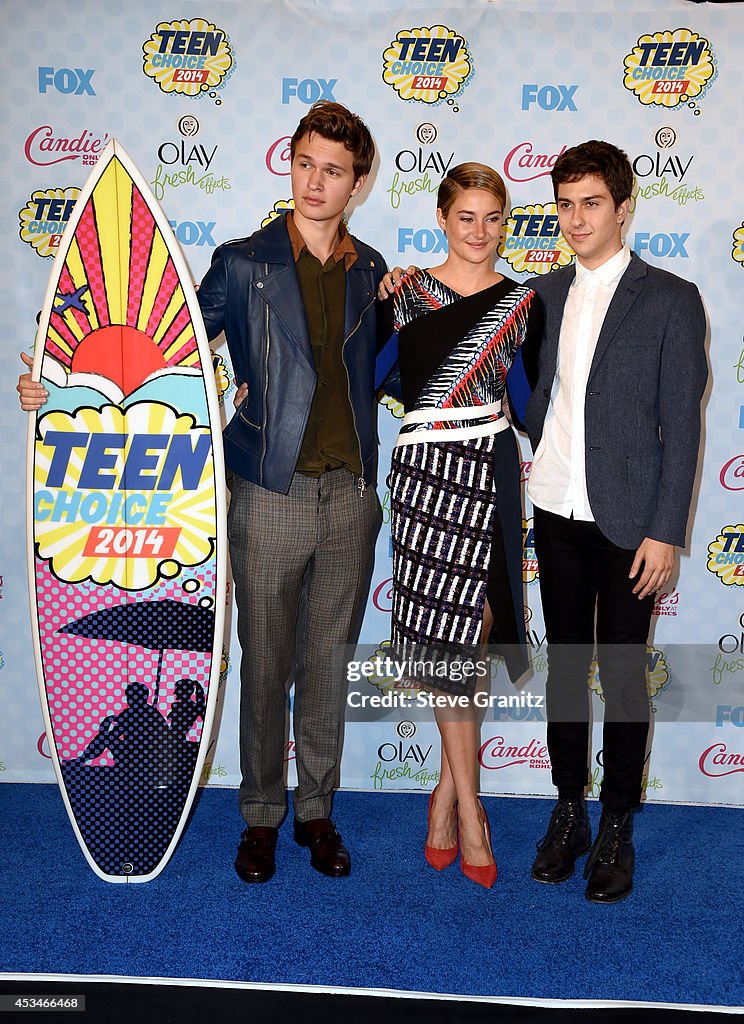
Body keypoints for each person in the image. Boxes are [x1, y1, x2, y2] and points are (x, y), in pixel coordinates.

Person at [18, 101, 388, 884]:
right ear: (289, 163)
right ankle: (261, 815)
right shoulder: (242, 262)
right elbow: (160, 350)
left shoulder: (374, 273)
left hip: (352, 498)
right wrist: (57, 388)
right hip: (266, 491)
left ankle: (316, 813)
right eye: (305, 163)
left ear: (357, 183)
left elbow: (396, 368)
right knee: (264, 664)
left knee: (327, 665)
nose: (314, 182)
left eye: (333, 171)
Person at [525, 140, 707, 903]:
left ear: (623, 208)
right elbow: (529, 393)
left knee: (626, 677)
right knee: (566, 669)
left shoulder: (670, 297)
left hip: (632, 521)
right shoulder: (542, 295)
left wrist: (666, 530)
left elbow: (682, 422)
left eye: (590, 203)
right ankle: (568, 809)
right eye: (564, 204)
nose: (575, 219)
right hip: (556, 505)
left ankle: (618, 824)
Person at [378, 163, 542, 889]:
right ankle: (471, 809)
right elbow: (374, 376)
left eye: (494, 218)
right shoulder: (406, 293)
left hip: (491, 468)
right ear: (442, 218)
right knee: (442, 636)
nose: (481, 232)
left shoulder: (520, 303)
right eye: (467, 217)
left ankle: (448, 797)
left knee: (473, 630)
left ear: (505, 223)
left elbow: (529, 403)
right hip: (423, 478)